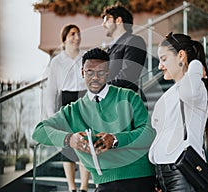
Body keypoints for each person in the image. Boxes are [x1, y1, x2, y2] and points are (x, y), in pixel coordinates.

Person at [32, 47, 157, 192]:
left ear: (108, 72)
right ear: (82, 73)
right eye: (89, 72)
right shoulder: (74, 110)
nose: (95, 77)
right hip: (104, 183)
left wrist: (115, 140)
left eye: (101, 72)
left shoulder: (129, 96)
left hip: (140, 178)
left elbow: (149, 134)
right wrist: (69, 139)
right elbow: (39, 131)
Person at [148, 32, 208, 192]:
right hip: (165, 174)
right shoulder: (172, 92)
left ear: (181, 56)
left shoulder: (195, 87)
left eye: (164, 59)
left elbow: (188, 92)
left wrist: (195, 65)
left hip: (183, 173)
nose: (159, 66)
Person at [43, 24, 90, 192]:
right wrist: (51, 117)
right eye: (72, 34)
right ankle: (72, 188)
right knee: (67, 147)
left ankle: (84, 187)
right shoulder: (56, 62)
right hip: (66, 102)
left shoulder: (86, 57)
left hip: (85, 101)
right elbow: (51, 92)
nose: (77, 37)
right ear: (64, 39)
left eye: (78, 34)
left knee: (85, 145)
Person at [101, 2, 147, 94]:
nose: (103, 24)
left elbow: (128, 75)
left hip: (125, 102)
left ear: (118, 20)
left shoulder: (134, 41)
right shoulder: (110, 47)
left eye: (106, 20)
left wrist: (103, 88)